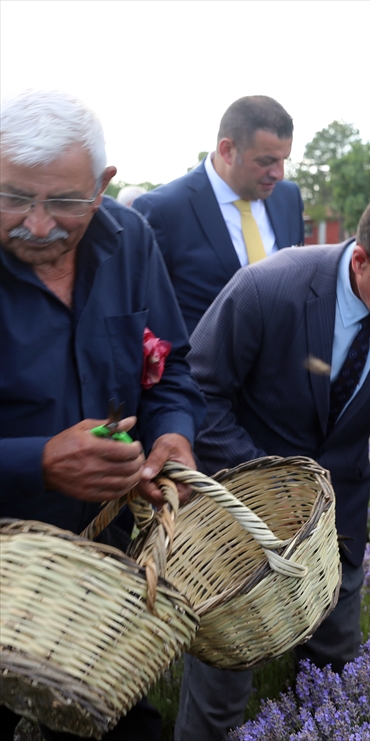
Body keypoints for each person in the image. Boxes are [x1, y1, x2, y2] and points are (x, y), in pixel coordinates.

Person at [177, 188, 370, 739]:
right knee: (222, 691)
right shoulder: (269, 289)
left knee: (332, 680)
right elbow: (199, 395)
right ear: (362, 260)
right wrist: (270, 486)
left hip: (338, 527)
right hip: (241, 524)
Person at [1, 89, 205, 740]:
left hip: (100, 574)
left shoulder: (130, 240)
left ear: (103, 186)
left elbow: (168, 365)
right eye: (12, 197)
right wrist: (36, 462)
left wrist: (173, 433)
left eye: (62, 202)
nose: (36, 225)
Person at [133, 96, 304, 335]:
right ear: (227, 150)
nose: (279, 174)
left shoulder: (288, 197)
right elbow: (147, 315)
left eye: (284, 159)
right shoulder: (163, 211)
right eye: (267, 161)